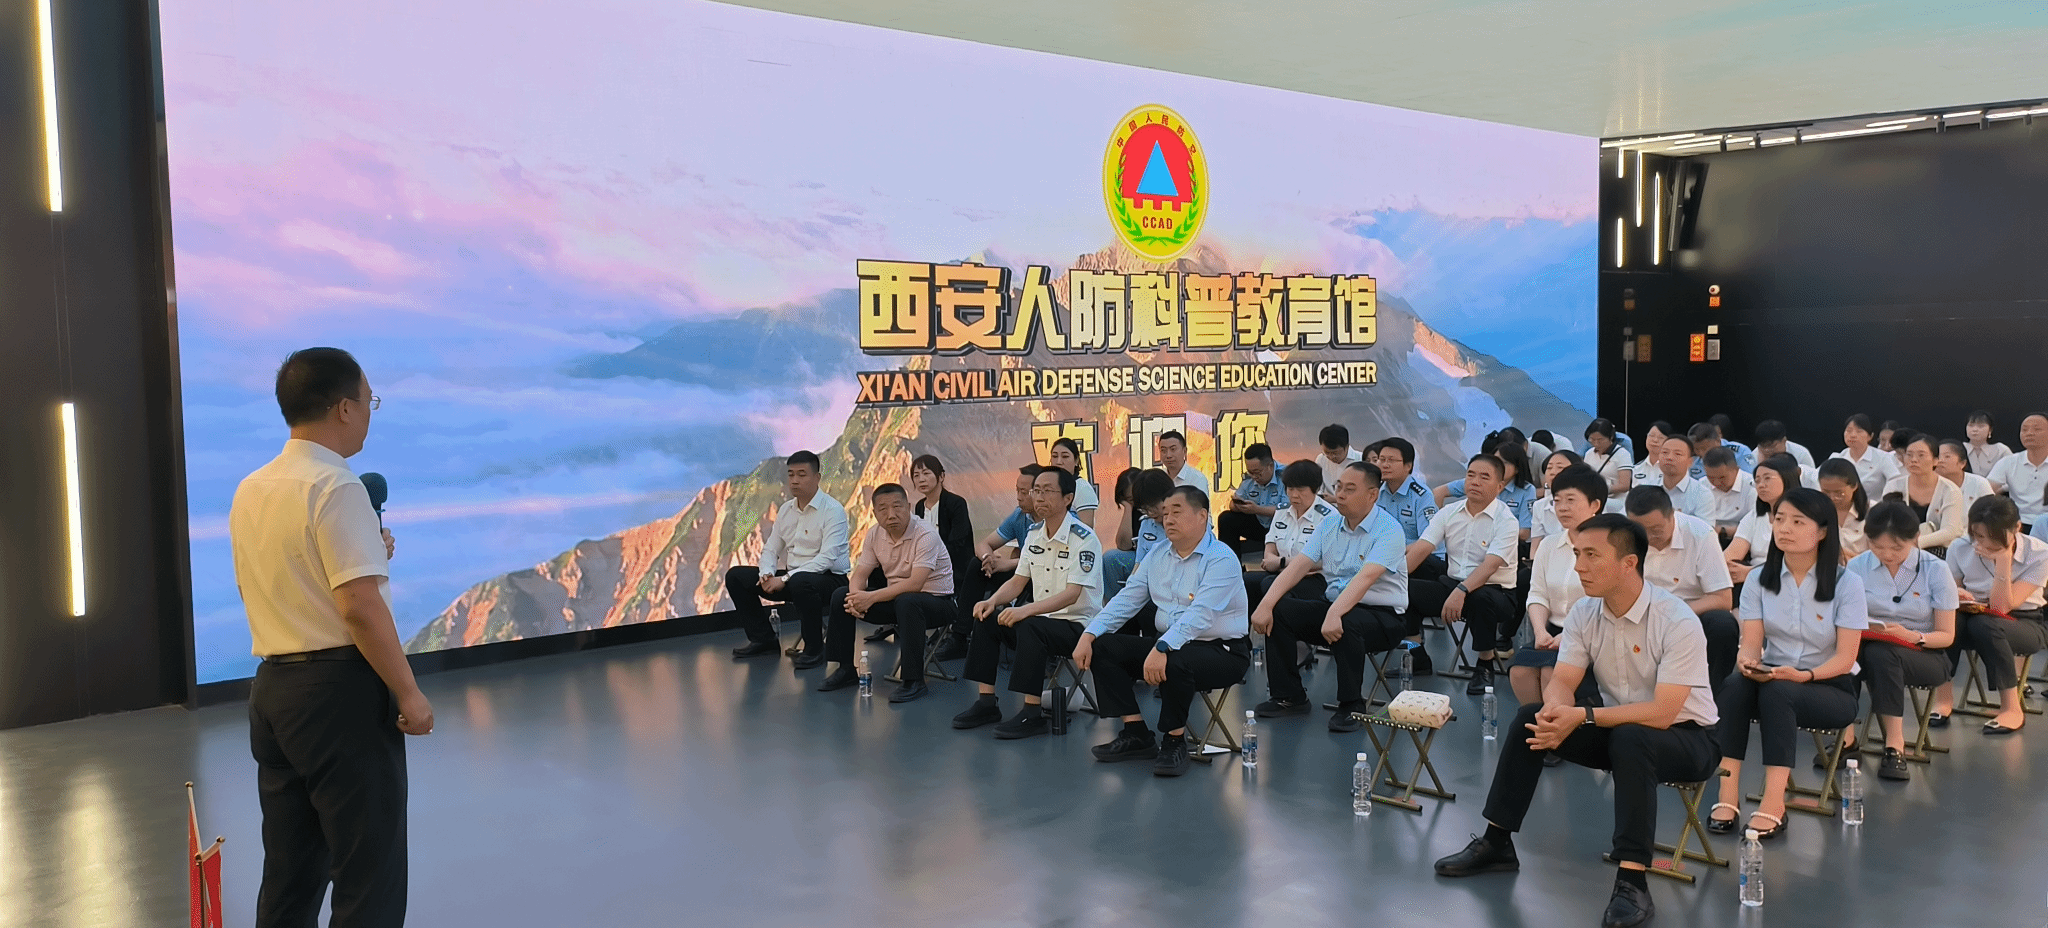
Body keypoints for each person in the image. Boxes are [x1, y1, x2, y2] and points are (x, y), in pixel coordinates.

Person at [1434, 513, 1717, 928]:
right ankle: (1497, 842)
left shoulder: (1676, 620)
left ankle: (1632, 880)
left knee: (1633, 738)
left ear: (1629, 563)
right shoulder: (1585, 612)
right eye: (1577, 554)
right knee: (1531, 717)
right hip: (1618, 729)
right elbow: (1564, 681)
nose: (1579, 566)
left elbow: (1663, 712)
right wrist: (1554, 712)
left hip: (1689, 739)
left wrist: (1581, 715)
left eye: (1591, 556)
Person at [232, 348, 429, 928]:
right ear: (344, 408)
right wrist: (409, 692)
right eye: (369, 401)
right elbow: (360, 608)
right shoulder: (336, 487)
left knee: (290, 875)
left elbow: (279, 578)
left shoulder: (252, 488)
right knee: (369, 878)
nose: (369, 412)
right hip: (338, 695)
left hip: (273, 694)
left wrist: (366, 549)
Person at [1705, 487, 1865, 840]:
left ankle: (1774, 803)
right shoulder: (1759, 579)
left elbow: (1846, 659)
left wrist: (1804, 675)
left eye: (1797, 521)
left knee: (1780, 693)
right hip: (1775, 677)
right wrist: (1747, 662)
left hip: (1830, 688)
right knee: (1733, 686)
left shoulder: (1848, 583)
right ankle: (1727, 793)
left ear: (1822, 531)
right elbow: (1751, 644)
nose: (1784, 528)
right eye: (1779, 519)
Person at [1074, 486, 1252, 777]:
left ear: (1202, 516)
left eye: (1176, 512)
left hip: (1223, 651)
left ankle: (1174, 740)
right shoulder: (1158, 554)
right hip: (1172, 645)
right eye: (1165, 513)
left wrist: (1162, 646)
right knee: (1104, 647)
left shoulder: (1221, 558)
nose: (1168, 519)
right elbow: (1127, 598)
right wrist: (1090, 634)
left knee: (1175, 660)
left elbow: (1201, 614)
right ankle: (1135, 732)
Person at [1249, 461, 1410, 732]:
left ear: (1372, 494)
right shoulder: (1330, 523)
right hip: (1335, 605)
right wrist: (1265, 604)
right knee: (1279, 611)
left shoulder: (1389, 529)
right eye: (1338, 487)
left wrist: (1335, 612)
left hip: (1383, 616)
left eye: (1350, 489)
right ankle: (1289, 696)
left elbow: (1365, 578)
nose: (1341, 495)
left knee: (1347, 621)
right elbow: (1298, 567)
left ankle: (1352, 704)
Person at [951, 467, 1104, 737]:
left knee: (1031, 625)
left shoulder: (1084, 538)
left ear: (1068, 498)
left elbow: (1072, 594)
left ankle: (1032, 714)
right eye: (1037, 491)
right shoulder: (1034, 534)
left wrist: (1025, 611)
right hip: (1041, 621)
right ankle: (986, 702)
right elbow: (1018, 581)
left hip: (1077, 627)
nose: (1039, 497)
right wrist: (993, 601)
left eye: (1048, 491)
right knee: (988, 617)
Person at [1846, 501, 1958, 781]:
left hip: (1925, 653)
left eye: (1897, 548)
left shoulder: (1935, 569)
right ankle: (1846, 739)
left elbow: (1946, 636)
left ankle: (1894, 745)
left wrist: (1911, 636)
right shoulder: (1857, 566)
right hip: (1869, 646)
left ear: (1915, 539)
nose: (1887, 555)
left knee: (1882, 655)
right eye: (1877, 546)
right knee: (1849, 652)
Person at [816, 484, 957, 702]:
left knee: (908, 601)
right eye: (883, 509)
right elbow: (860, 574)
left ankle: (914, 681)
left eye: (897, 507)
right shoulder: (875, 534)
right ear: (874, 513)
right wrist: (855, 598)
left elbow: (915, 584)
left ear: (908, 507)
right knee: (841, 596)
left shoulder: (925, 534)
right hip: (898, 600)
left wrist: (869, 598)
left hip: (938, 603)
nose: (891, 515)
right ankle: (845, 669)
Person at [1406, 454, 1521, 694]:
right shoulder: (1449, 512)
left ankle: (1484, 665)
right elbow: (1422, 548)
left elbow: (1490, 566)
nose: (1475, 481)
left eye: (1484, 477)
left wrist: (1462, 590)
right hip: (1453, 586)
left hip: (1497, 593)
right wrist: (1391, 580)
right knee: (1404, 589)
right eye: (1471, 475)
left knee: (1481, 598)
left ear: (1500, 486)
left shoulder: (1507, 521)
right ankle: (1417, 655)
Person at [728, 451, 851, 660]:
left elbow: (827, 559)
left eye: (802, 475)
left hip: (830, 580)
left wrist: (785, 578)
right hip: (794, 578)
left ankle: (814, 649)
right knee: (736, 576)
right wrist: (766, 574)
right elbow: (771, 548)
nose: (794, 481)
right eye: (791, 474)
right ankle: (763, 639)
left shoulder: (832, 510)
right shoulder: (786, 510)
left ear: (817, 478)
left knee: (800, 582)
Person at [1624, 486, 1740, 688]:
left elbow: (1723, 598)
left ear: (1673, 515)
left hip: (1690, 612)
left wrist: (1674, 613)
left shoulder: (1700, 534)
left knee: (1722, 624)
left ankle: (1713, 693)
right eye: (1641, 531)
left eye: (1656, 530)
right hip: (1640, 612)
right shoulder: (1621, 536)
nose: (1648, 538)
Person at [1950, 495, 2048, 734]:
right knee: (1950, 620)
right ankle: (1942, 699)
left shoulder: (2039, 553)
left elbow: (2003, 607)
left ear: (2017, 528)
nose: (1983, 542)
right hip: (1973, 616)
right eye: (1978, 535)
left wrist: (2003, 560)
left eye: (1993, 536)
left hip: (2024, 623)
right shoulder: (1960, 547)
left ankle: (2012, 708)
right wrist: (1957, 594)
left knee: (1986, 624)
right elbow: (1949, 596)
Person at [1510, 464, 1606, 706]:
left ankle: (1554, 725)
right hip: (1552, 632)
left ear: (1595, 505)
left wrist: (1570, 634)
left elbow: (1606, 603)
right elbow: (1537, 594)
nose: (1562, 508)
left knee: (1550, 672)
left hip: (1593, 633)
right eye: (1557, 500)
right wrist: (1540, 631)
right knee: (1519, 671)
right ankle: (1534, 724)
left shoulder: (1608, 547)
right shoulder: (1549, 545)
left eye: (1571, 500)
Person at [911, 454, 977, 659]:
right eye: (916, 475)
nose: (921, 479)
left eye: (926, 473)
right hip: (928, 566)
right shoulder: (919, 507)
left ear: (941, 476)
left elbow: (958, 542)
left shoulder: (956, 504)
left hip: (955, 568)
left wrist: (931, 563)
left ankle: (957, 637)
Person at [1246, 459, 1334, 605]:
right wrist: (1270, 559)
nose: (1294, 495)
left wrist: (1282, 562)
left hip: (1314, 578)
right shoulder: (1282, 511)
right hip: (1281, 572)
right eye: (1290, 489)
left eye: (1300, 490)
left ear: (1316, 489)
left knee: (1269, 584)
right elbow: (1271, 543)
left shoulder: (1328, 517)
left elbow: (1326, 560)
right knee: (1247, 581)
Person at [1880, 433, 1965, 554]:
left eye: (1921, 455)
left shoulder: (1950, 490)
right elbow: (1885, 521)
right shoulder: (1893, 486)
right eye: (1909, 455)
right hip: (1898, 549)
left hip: (1938, 550)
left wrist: (1914, 544)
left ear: (1935, 460)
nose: (1914, 460)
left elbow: (1950, 531)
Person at [1725, 455, 1802, 585]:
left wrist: (1751, 573)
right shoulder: (1754, 516)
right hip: (1752, 579)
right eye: (1757, 480)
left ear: (1786, 478)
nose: (1761, 485)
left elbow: (1799, 562)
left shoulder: (1804, 515)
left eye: (1767, 478)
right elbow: (1732, 554)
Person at [1438, 441, 1538, 539]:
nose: (1499, 466)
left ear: (1517, 468)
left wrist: (1488, 533)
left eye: (1505, 463)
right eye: (1495, 461)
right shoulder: (1476, 481)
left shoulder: (1527, 490)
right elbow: (1439, 492)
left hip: (1509, 543)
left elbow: (1524, 533)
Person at [1107, 469, 1176, 609]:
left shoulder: (1186, 522)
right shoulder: (1146, 523)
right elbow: (1138, 563)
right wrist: (1130, 589)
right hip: (1149, 580)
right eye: (1145, 509)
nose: (1150, 512)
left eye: (1153, 507)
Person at [974, 464, 1045, 584]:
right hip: (1023, 571)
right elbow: (983, 544)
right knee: (977, 564)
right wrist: (988, 558)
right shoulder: (1019, 515)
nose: (1018, 497)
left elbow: (1049, 557)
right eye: (1017, 491)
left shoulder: (1058, 517)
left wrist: (1010, 563)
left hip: (1045, 577)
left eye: (1024, 492)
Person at [1987, 413, 2048, 533]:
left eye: (2037, 429)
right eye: (2024, 430)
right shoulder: (2008, 462)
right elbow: (1986, 490)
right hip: (2016, 523)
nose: (2029, 433)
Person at [1220, 442, 1284, 555]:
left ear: (1270, 466)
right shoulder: (1248, 479)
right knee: (1226, 519)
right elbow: (1233, 503)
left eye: (1257, 473)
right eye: (1251, 472)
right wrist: (1238, 506)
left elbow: (1288, 510)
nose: (1254, 477)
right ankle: (1230, 562)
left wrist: (1257, 509)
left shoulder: (1286, 476)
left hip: (1281, 526)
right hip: (1258, 522)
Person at [1629, 435, 1712, 520]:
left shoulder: (1702, 494)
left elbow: (1705, 527)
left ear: (1690, 462)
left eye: (1678, 454)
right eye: (1665, 452)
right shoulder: (1645, 490)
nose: (1669, 457)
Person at [1374, 437, 1438, 546]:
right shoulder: (1375, 491)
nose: (1385, 465)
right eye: (1382, 459)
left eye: (1391, 460)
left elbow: (1427, 542)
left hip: (1415, 553)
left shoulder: (1422, 496)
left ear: (1408, 466)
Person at [1832, 413, 1900, 504]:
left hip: (1874, 508)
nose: (1853, 435)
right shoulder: (1837, 458)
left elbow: (1896, 483)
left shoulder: (1883, 457)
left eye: (1859, 431)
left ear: (1870, 436)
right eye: (1849, 431)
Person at [1817, 458, 1871, 564]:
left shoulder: (1873, 511)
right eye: (1826, 492)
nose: (1832, 498)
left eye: (1839, 493)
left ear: (1854, 486)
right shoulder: (1815, 512)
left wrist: (1851, 558)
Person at [1700, 446, 1756, 542]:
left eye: (1722, 477)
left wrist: (1721, 531)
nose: (1716, 482)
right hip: (1707, 538)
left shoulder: (1753, 487)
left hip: (1745, 540)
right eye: (1711, 477)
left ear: (1736, 469)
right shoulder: (1702, 485)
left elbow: (1757, 526)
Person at [1530, 449, 1584, 542]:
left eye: (1560, 467)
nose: (1553, 472)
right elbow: (1536, 545)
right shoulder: (1539, 506)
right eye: (1549, 468)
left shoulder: (1588, 502)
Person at [1045, 437, 1099, 521]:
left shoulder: (1082, 488)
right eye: (1055, 456)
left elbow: (1086, 527)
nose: (1059, 462)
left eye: (1065, 456)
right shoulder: (1046, 486)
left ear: (1076, 460)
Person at [1937, 439, 1996, 509]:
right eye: (1937, 457)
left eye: (1947, 456)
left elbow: (1991, 511)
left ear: (1962, 463)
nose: (1940, 460)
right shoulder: (1930, 484)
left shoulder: (1979, 483)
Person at [1583, 418, 1634, 495]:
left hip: (1616, 498)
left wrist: (1600, 490)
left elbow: (1625, 486)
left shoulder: (1623, 454)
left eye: (1600, 440)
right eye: (1592, 440)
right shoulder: (1589, 453)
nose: (1596, 444)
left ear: (1611, 437)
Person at [1686, 421, 1755, 479]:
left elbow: (1751, 480)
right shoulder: (1692, 461)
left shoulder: (1741, 452)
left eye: (1705, 448)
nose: (1701, 453)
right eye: (1697, 449)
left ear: (1718, 441)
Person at [1317, 423, 1362, 501]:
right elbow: (1318, 488)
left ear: (1346, 447)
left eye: (1335, 453)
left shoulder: (1361, 459)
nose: (1331, 457)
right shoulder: (1321, 459)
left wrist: (1336, 499)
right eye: (1327, 452)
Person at [1752, 419, 1816, 471]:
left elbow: (1812, 479)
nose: (1767, 450)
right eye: (1762, 446)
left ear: (1784, 440)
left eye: (1771, 445)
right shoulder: (1753, 457)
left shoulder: (1801, 454)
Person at [1966, 410, 2013, 478]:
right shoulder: (1958, 448)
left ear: (1990, 430)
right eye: (1971, 425)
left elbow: (2013, 474)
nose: (1975, 429)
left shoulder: (2000, 450)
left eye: (1981, 426)